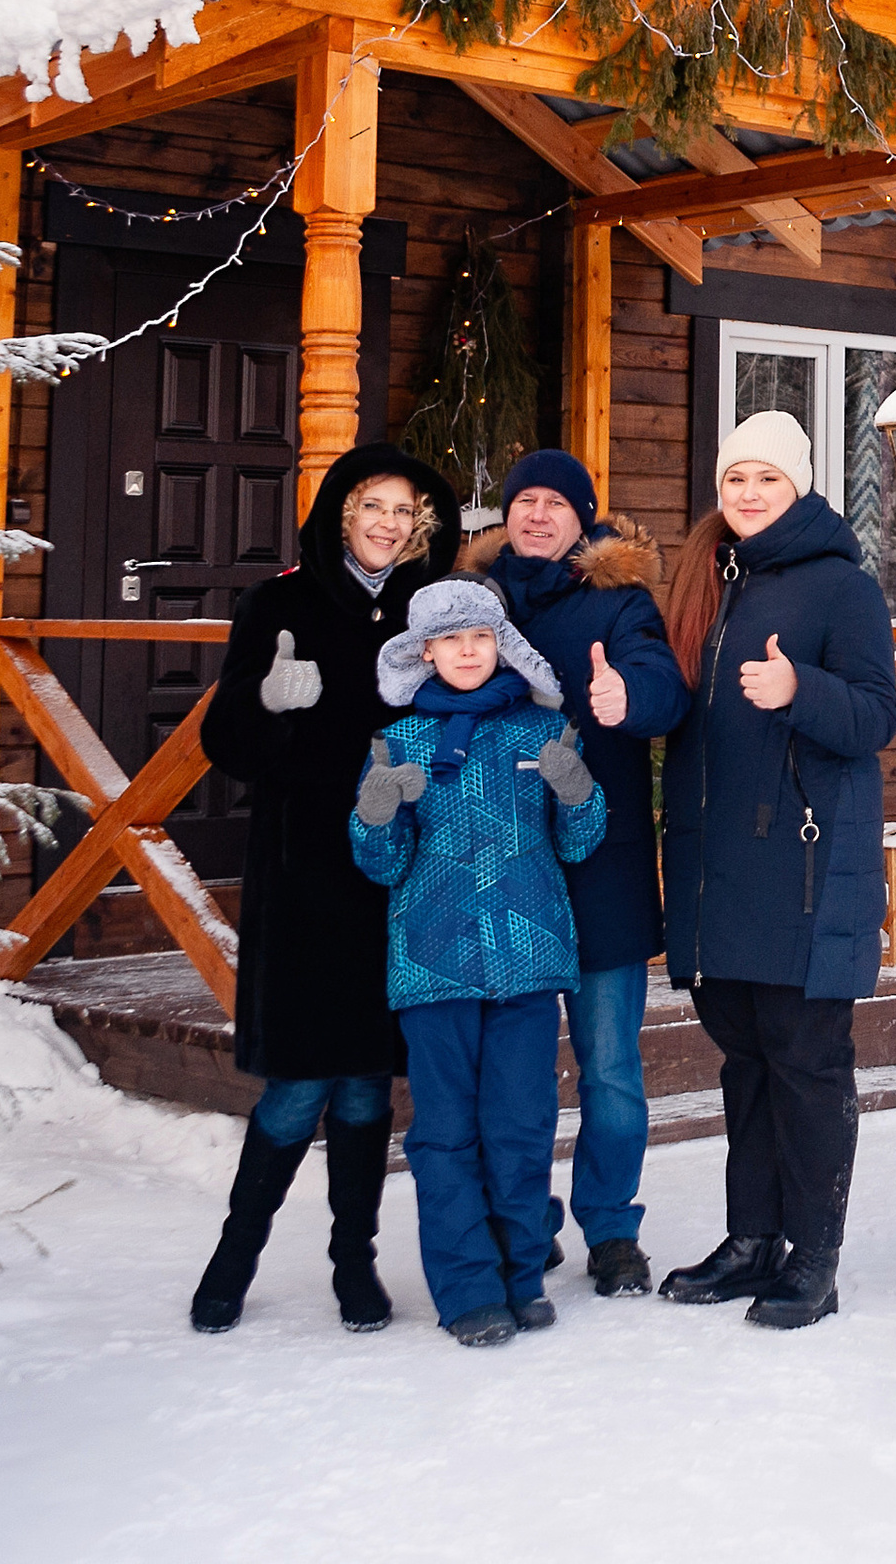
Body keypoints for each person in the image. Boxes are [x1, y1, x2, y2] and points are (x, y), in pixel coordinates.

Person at [191, 441, 461, 1337]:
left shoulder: (430, 613)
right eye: (372, 505)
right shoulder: (280, 604)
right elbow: (225, 744)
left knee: (366, 1086)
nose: (388, 523)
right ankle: (234, 1258)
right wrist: (266, 701)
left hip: (396, 873)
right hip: (303, 874)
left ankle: (355, 1262)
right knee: (298, 1086)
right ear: (343, 513)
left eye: (404, 510)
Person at [655, 410, 896, 1330]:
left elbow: (876, 716)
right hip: (718, 869)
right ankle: (752, 1240)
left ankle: (814, 1257)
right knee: (747, 1063)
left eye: (768, 477)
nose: (749, 493)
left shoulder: (843, 586)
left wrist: (802, 690)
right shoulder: (708, 577)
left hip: (803, 867)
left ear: (799, 485)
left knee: (807, 1065)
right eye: (735, 478)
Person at [351, 578, 606, 1348]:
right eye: (451, 640)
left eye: (481, 637)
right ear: (424, 652)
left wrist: (577, 792)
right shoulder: (400, 742)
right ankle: (467, 1288)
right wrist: (376, 812)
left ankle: (521, 1275)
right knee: (446, 1134)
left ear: (502, 645)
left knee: (521, 1125)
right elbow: (383, 864)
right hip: (434, 967)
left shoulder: (545, 731)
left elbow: (579, 844)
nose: (467, 651)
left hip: (527, 961)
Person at [462, 451, 688, 1297]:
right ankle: (523, 1219)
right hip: (500, 872)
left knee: (609, 1067)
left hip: (602, 866)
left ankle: (612, 1227)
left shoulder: (619, 601)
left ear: (581, 518)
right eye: (525, 500)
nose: (537, 514)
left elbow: (664, 685)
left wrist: (629, 697)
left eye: (556, 503)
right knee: (508, 1075)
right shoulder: (475, 600)